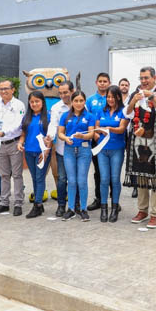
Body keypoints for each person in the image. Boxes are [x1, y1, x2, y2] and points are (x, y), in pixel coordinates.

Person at [125, 67, 156, 228]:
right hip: (138, 138)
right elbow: (128, 114)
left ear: (154, 77)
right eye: (141, 78)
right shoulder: (135, 93)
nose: (144, 81)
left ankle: (155, 213)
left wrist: (152, 97)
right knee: (140, 174)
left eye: (146, 78)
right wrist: (133, 100)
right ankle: (142, 210)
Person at [0, 80, 26, 216]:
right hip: (0, 144)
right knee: (3, 174)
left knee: (17, 175)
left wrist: (5, 132)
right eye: (1, 89)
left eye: (6, 89)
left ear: (13, 90)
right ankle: (4, 202)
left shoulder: (18, 104)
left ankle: (18, 202)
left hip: (14, 142)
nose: (3, 91)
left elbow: (18, 124)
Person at [58, 90, 95, 221]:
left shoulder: (90, 116)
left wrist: (83, 136)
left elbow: (91, 134)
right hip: (69, 150)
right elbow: (60, 133)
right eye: (76, 101)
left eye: (81, 101)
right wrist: (65, 138)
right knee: (71, 181)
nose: (78, 103)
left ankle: (83, 209)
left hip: (84, 150)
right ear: (72, 102)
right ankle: (71, 209)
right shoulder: (65, 116)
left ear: (84, 102)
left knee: (82, 181)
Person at [96, 85, 129, 223]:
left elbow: (122, 129)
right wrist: (97, 136)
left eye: (112, 96)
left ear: (118, 97)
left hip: (117, 149)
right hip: (102, 150)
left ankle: (115, 208)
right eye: (108, 97)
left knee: (115, 179)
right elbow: (96, 128)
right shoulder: (100, 111)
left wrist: (110, 129)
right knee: (104, 179)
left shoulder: (124, 111)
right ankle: (104, 208)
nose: (110, 99)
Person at [19, 90, 50, 218]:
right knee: (34, 178)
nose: (34, 104)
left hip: (42, 153)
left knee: (39, 177)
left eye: (37, 101)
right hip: (29, 152)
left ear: (42, 102)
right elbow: (23, 134)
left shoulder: (48, 117)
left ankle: (37, 205)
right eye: (32, 102)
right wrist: (20, 143)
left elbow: (50, 137)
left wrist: (46, 151)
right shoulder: (27, 117)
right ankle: (39, 205)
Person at [45, 81, 73, 217]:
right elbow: (53, 124)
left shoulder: (81, 104)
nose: (63, 95)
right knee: (62, 178)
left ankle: (76, 205)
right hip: (62, 149)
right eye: (60, 93)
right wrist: (50, 136)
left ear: (72, 91)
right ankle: (61, 205)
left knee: (76, 179)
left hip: (79, 149)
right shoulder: (57, 107)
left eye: (65, 92)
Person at [85, 72, 111, 211]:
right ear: (96, 82)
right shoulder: (90, 100)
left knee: (112, 172)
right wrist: (94, 133)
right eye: (100, 81)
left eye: (105, 81)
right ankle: (99, 199)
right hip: (96, 140)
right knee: (98, 171)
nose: (102, 83)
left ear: (109, 83)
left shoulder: (112, 98)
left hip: (112, 140)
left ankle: (114, 201)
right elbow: (88, 118)